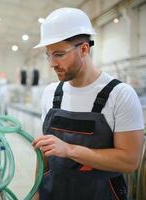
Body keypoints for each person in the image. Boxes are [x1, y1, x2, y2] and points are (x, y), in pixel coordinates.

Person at [32, 7, 144, 200]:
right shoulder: (51, 93)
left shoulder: (120, 95)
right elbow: (46, 152)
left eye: (59, 54)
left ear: (84, 49)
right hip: (53, 192)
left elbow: (129, 161)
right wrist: (36, 192)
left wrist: (69, 150)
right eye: (48, 54)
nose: (52, 63)